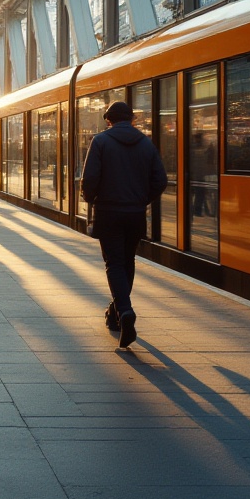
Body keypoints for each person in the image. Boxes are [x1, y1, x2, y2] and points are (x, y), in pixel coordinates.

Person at [81, 101, 167, 350]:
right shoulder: (146, 143)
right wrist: (142, 199)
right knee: (127, 261)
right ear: (132, 119)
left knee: (114, 263)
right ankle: (117, 311)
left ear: (109, 120)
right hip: (135, 213)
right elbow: (160, 180)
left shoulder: (100, 141)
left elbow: (90, 179)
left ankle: (125, 310)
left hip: (108, 212)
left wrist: (91, 198)